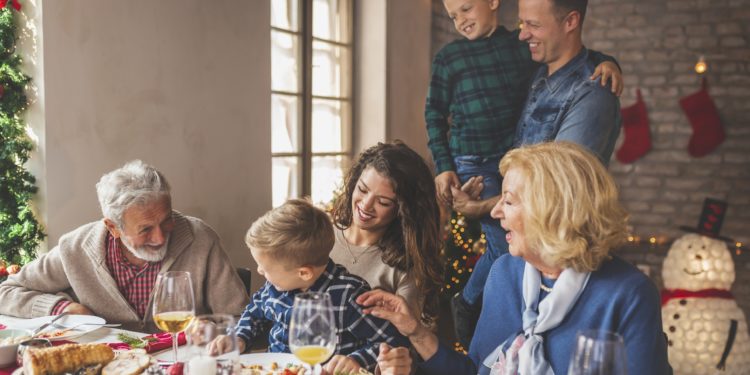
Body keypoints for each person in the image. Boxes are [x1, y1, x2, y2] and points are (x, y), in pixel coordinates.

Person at [359, 142, 672, 375]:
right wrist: (415, 331)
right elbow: (475, 372)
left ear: (549, 212)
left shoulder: (628, 293)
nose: (495, 213)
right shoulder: (506, 272)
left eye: (507, 202)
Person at [428, 0, 623, 346]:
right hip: (522, 256)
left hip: (557, 257)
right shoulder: (536, 73)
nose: (522, 35)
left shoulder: (592, 92)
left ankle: (468, 304)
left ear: (571, 21)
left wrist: (482, 207)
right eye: (520, 24)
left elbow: (560, 191)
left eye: (532, 25)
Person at [0, 160, 248, 332]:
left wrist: (213, 329)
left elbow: (244, 319)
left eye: (166, 220)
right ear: (113, 227)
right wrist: (61, 307)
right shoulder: (75, 248)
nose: (161, 237)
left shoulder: (201, 239)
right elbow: (6, 292)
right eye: (145, 229)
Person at [217, 199, 408, 374]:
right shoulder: (275, 286)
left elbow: (392, 343)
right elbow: (254, 313)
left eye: (265, 268)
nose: (259, 271)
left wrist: (355, 360)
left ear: (304, 273)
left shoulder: (349, 296)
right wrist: (239, 337)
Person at [330, 141, 443, 326]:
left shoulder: (405, 267)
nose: (365, 205)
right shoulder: (319, 235)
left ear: (404, 210)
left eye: (383, 202)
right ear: (353, 183)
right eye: (362, 189)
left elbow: (406, 341)